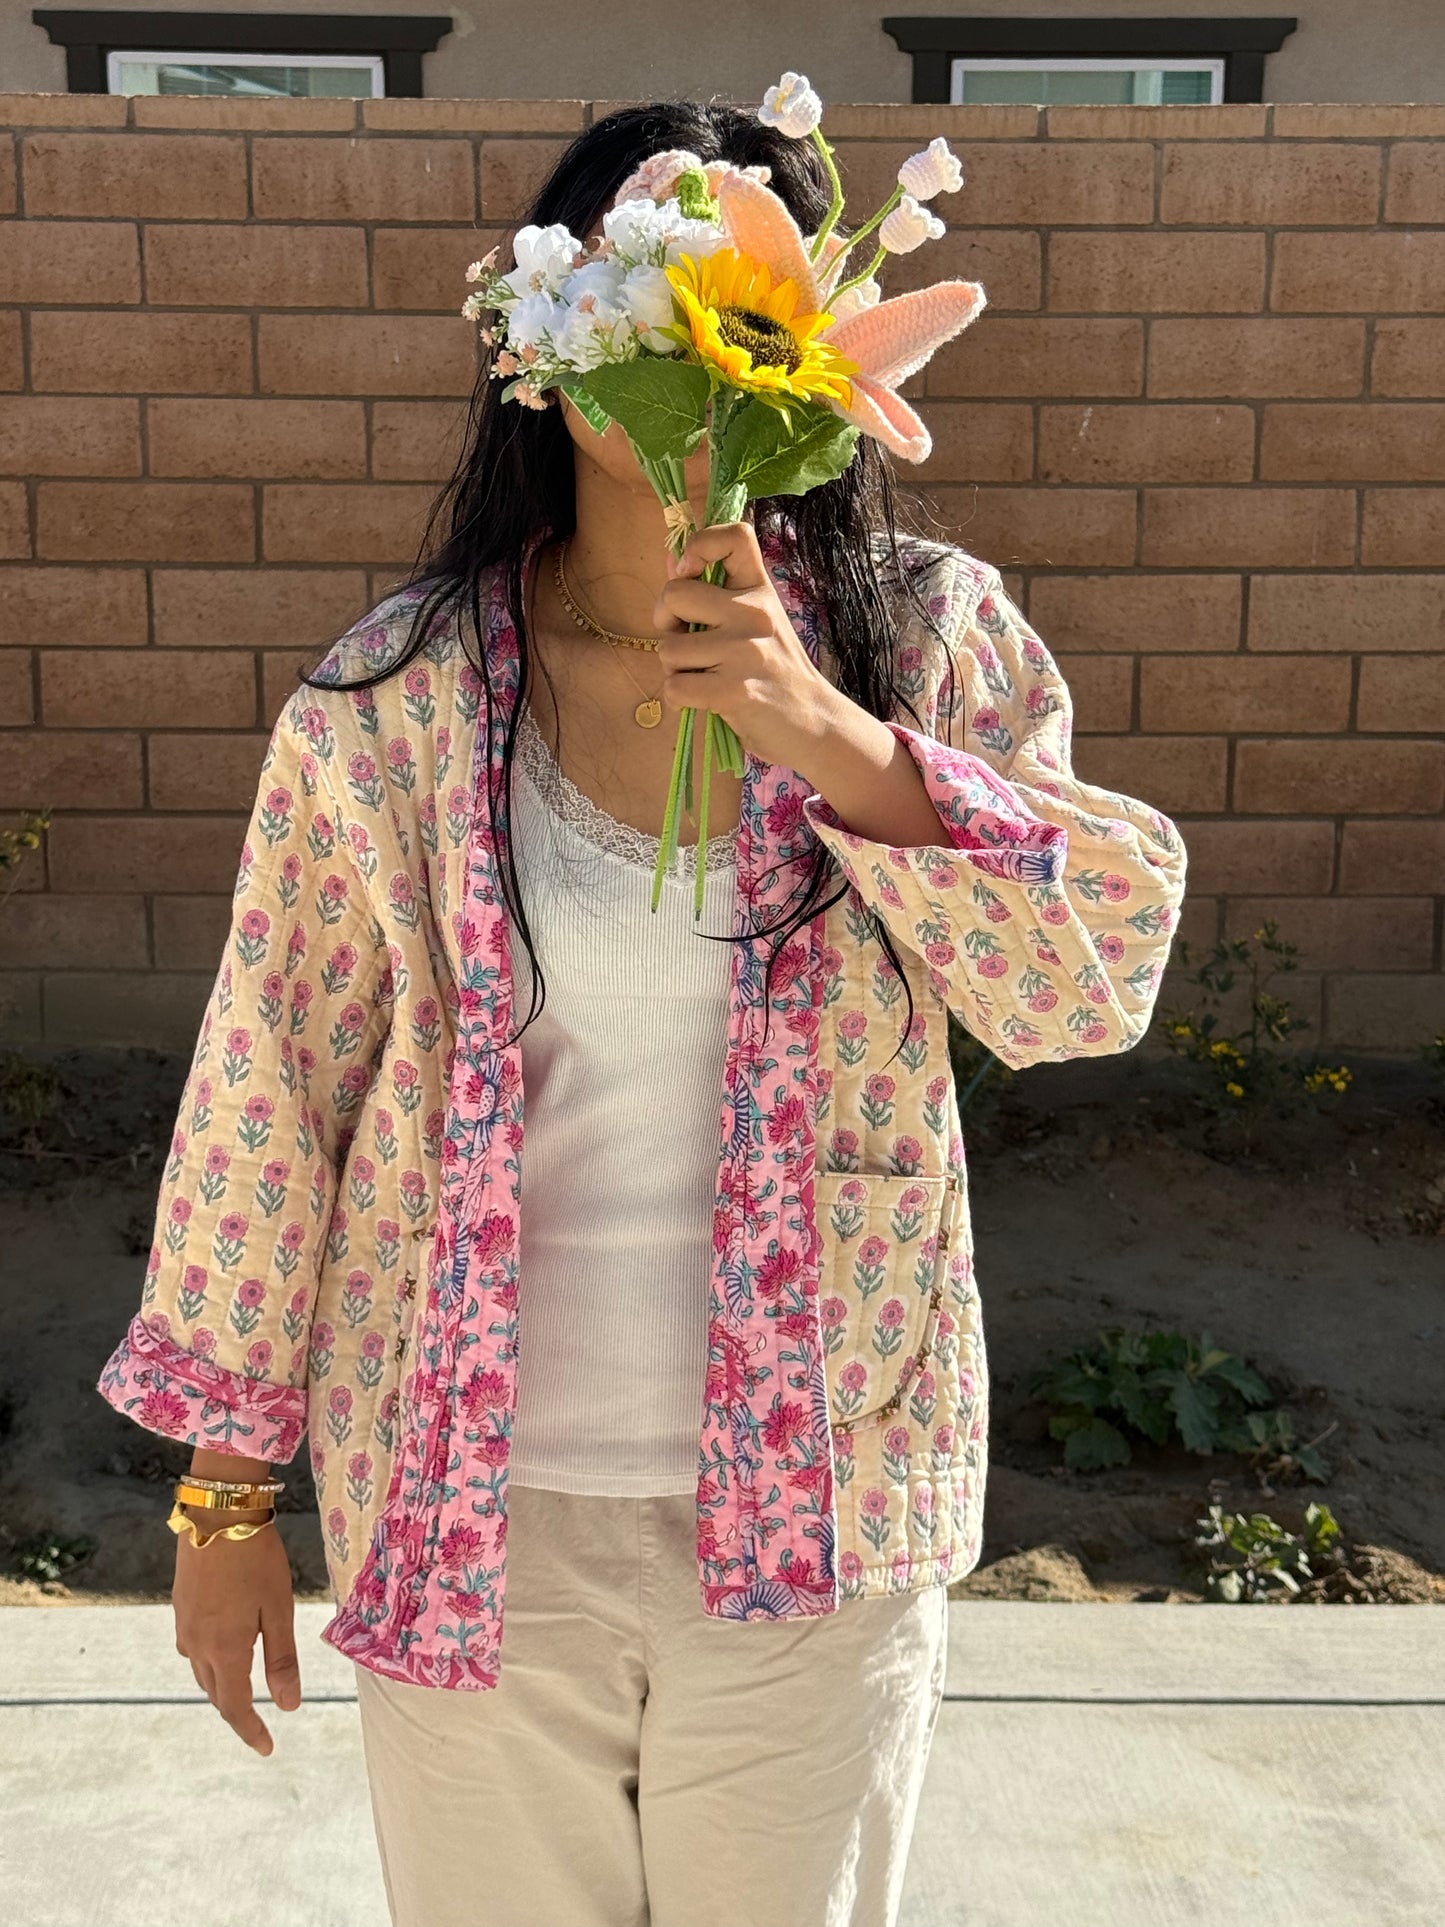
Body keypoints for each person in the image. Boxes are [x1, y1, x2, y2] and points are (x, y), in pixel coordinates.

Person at [97, 98, 1188, 1927]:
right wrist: (224, 1508)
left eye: (737, 327)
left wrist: (835, 744)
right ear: (542, 350)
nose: (688, 374)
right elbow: (271, 1099)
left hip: (819, 1501)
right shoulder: (395, 701)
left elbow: (1088, 982)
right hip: (463, 1509)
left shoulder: (923, 638)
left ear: (813, 358)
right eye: (644, 315)